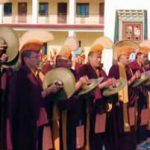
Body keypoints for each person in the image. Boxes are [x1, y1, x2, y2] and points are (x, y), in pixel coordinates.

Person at [8, 41, 61, 150]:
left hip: (34, 121)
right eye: (36, 56)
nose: (39, 59)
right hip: (24, 122)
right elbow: (30, 98)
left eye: (39, 56)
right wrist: (48, 91)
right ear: (26, 59)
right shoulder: (22, 76)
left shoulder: (34, 75)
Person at [77, 44, 116, 150]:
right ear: (89, 58)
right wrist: (104, 84)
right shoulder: (83, 69)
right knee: (90, 133)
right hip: (89, 106)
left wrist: (112, 84)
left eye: (100, 57)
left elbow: (107, 83)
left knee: (99, 132)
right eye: (97, 57)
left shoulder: (101, 71)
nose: (99, 60)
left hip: (100, 106)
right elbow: (86, 88)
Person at [107, 45, 140, 150]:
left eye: (129, 56)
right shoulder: (115, 68)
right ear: (120, 57)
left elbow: (129, 84)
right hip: (119, 103)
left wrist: (136, 79)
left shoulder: (128, 69)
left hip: (129, 102)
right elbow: (119, 85)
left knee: (130, 126)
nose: (128, 58)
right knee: (120, 127)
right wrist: (133, 78)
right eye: (126, 56)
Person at [129, 46, 150, 144]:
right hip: (135, 95)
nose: (145, 58)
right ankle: (136, 139)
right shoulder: (132, 66)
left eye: (146, 57)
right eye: (144, 56)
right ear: (138, 56)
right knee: (136, 116)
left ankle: (142, 137)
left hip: (143, 93)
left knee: (143, 115)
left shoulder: (143, 67)